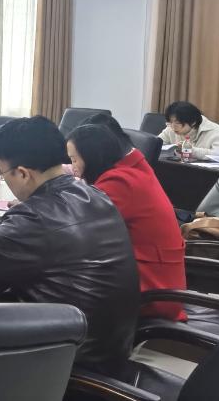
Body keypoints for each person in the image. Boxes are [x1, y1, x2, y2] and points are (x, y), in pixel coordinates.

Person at [0, 116, 139, 377]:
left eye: (3, 174)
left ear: (22, 173)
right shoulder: (92, 193)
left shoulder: (35, 219)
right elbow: (52, 234)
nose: (4, 180)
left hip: (67, 363)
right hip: (107, 348)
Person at [66, 123, 186, 321]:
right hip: (157, 283)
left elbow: (72, 226)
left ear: (92, 157)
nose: (73, 168)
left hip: (151, 293)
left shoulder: (120, 182)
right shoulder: (132, 170)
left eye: (74, 160)